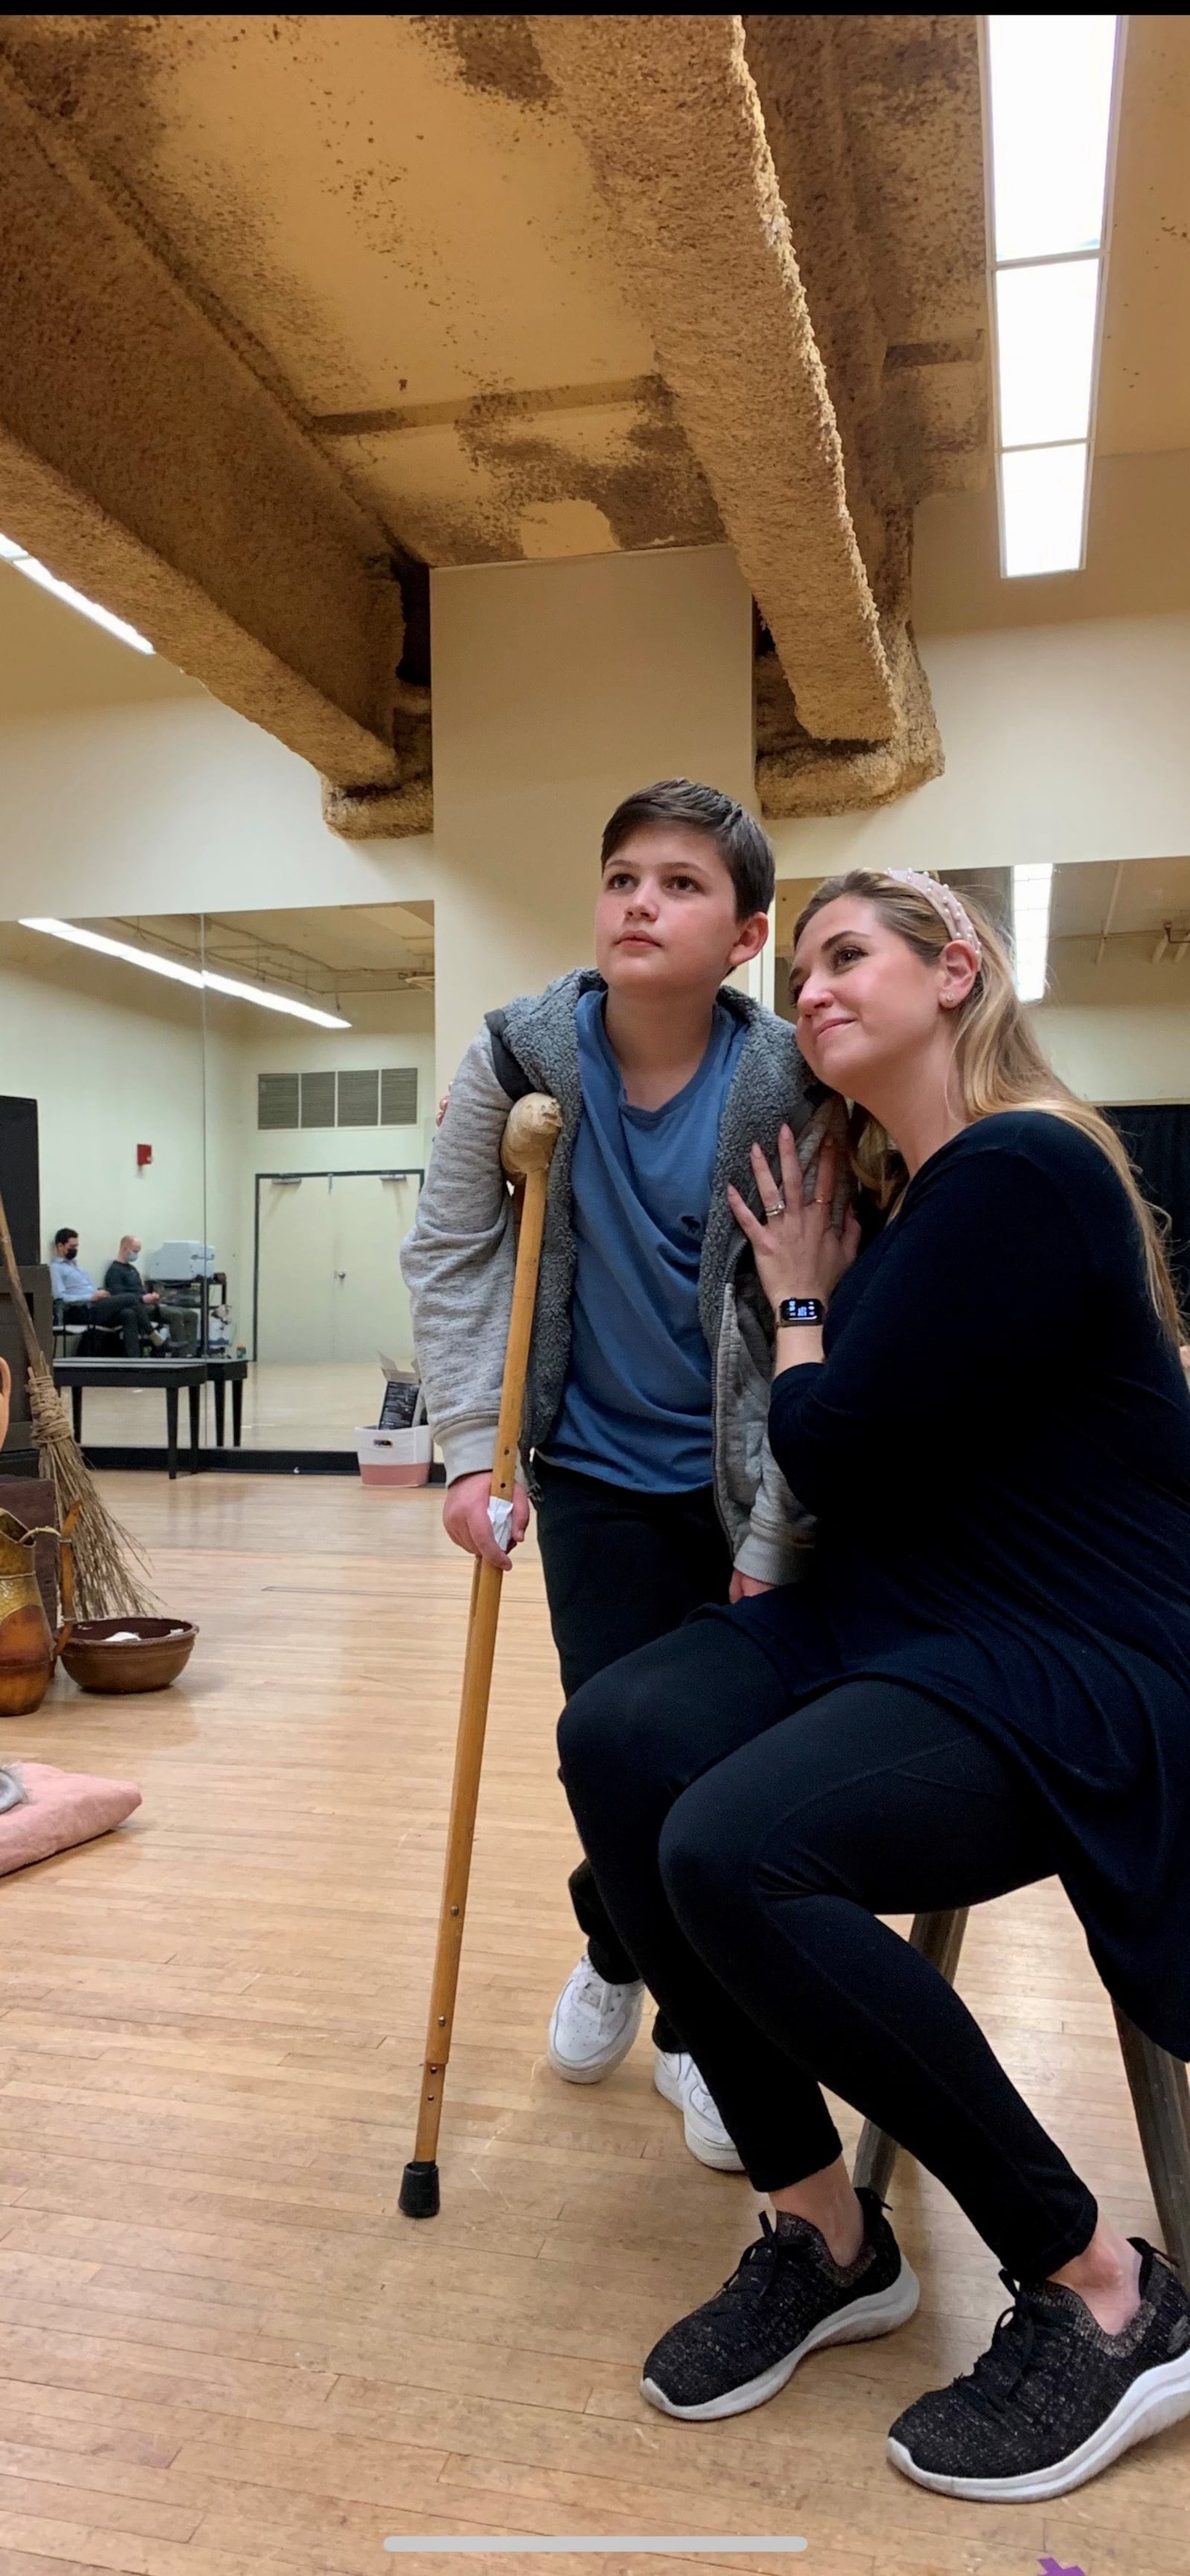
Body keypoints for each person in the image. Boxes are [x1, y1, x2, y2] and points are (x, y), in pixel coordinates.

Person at [557, 866, 1190, 2503]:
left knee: (732, 1849)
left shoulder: (1022, 1167)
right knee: (620, 1738)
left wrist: (797, 1300)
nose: (815, 984)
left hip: (1061, 1650)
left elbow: (825, 1439)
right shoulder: (912, 1191)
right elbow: (851, 1455)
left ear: (952, 968)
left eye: (851, 954)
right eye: (808, 960)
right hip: (901, 1618)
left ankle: (1099, 2288)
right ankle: (819, 2226)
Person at [403, 778, 840, 2169]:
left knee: (717, 1771)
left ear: (748, 934)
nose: (641, 902)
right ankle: (689, 2019)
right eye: (623, 879)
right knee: (619, 1753)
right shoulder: (520, 1055)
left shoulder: (788, 1080)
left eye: (682, 884)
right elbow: (453, 1246)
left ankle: (633, 1958)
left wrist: (782, 1522)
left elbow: (812, 1304)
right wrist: (474, 1451)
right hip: (590, 1477)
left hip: (737, 1481)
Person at [49, 1227, 164, 1357]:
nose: (75, 1249)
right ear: (60, 1246)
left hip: (96, 1306)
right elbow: (59, 1297)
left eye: (77, 1246)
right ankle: (153, 1335)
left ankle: (134, 1361)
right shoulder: (56, 1269)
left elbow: (91, 1290)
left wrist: (100, 1293)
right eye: (72, 1246)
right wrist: (90, 1297)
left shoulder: (79, 1268)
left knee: (129, 1314)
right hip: (80, 1310)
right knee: (131, 1298)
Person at [105, 1236, 200, 1355]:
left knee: (191, 1315)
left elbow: (139, 1291)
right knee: (175, 1315)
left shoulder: (132, 1269)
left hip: (148, 1305)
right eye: (135, 1251)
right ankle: (182, 1356)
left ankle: (191, 1354)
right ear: (125, 1249)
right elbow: (119, 1297)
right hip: (137, 1308)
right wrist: (143, 1299)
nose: (136, 1255)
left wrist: (152, 1297)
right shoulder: (115, 1271)